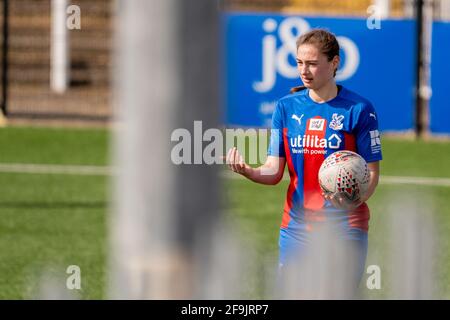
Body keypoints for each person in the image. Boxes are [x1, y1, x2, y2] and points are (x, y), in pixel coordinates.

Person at [226, 29, 382, 298]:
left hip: (345, 226)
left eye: (312, 63)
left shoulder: (359, 109)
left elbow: (370, 173)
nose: (304, 70)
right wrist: (249, 171)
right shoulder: (286, 108)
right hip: (296, 227)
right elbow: (274, 170)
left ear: (334, 63)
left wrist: (350, 198)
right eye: (299, 63)